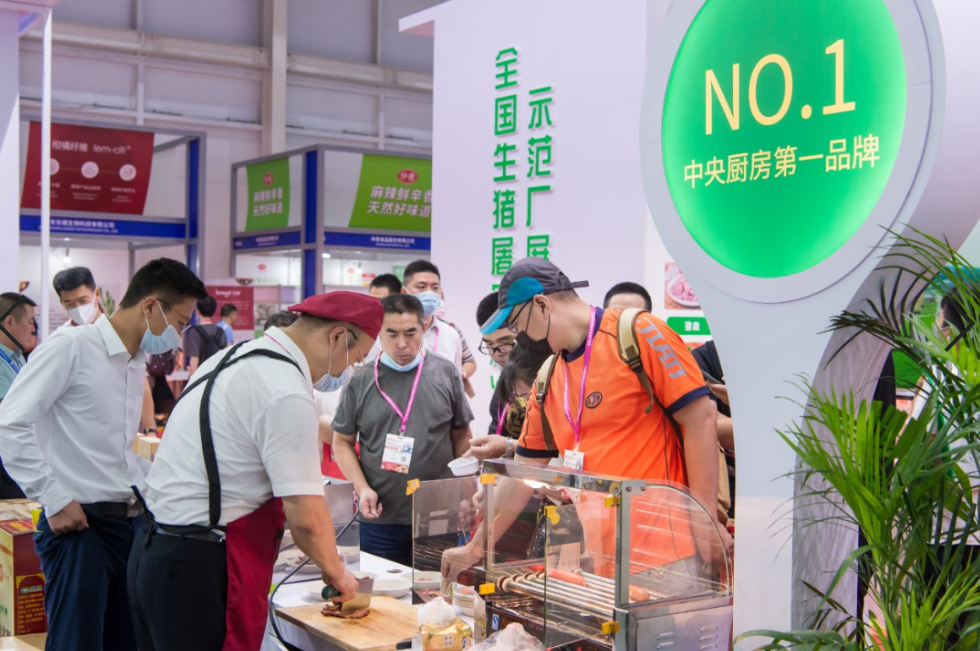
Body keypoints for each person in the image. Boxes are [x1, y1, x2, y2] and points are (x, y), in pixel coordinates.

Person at [444, 258, 730, 580]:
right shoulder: (548, 376)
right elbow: (522, 472)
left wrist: (706, 520)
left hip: (668, 553)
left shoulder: (638, 332)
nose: (519, 337)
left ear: (542, 305)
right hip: (602, 559)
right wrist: (476, 548)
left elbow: (701, 418)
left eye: (517, 324)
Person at [128, 291, 380, 651]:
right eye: (355, 359)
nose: (347, 371)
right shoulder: (286, 390)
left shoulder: (232, 356)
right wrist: (339, 575)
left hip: (153, 551)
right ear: (337, 336)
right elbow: (307, 519)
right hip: (200, 569)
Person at [0, 258, 207, 651]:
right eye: (180, 323)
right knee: (77, 643)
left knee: (127, 641)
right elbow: (9, 423)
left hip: (130, 525)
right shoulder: (72, 348)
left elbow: (116, 453)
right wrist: (54, 498)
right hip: (81, 528)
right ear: (151, 306)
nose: (179, 337)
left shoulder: (133, 362)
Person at [332, 294, 474, 567]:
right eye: (392, 333)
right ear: (378, 332)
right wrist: (362, 488)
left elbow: (461, 436)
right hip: (380, 515)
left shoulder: (445, 372)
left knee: (435, 588)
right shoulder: (360, 379)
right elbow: (342, 442)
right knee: (382, 591)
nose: (401, 343)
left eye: (410, 333)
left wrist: (466, 491)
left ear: (424, 327)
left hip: (438, 514)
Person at [54, 266, 158, 433]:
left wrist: (150, 429)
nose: (78, 309)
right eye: (70, 304)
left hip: (119, 431)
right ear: (62, 303)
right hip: (77, 432)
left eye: (83, 301)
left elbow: (140, 384)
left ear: (96, 294)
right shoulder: (59, 341)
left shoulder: (121, 335)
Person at [402, 260, 477, 383]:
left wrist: (461, 374)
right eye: (421, 287)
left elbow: (461, 371)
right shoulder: (390, 333)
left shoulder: (451, 333)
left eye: (435, 287)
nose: (429, 293)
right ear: (404, 293)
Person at [0, 293, 36, 499]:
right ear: (9, 322)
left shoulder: (17, 356)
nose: (32, 329)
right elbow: (9, 411)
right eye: (30, 322)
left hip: (20, 453)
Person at [477, 292, 519, 436]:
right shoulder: (508, 373)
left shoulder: (548, 375)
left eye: (505, 342)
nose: (497, 353)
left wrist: (508, 445)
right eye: (489, 345)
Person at [183, 295, 227, 377]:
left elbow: (194, 358)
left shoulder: (194, 332)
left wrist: (193, 380)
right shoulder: (221, 332)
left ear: (197, 311)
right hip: (217, 376)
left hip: (202, 377)